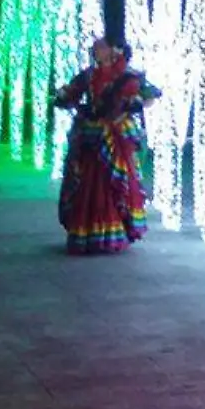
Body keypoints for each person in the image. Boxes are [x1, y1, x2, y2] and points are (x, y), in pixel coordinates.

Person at [53, 38, 160, 255]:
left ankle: (112, 233)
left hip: (115, 137)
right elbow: (72, 92)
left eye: (100, 46)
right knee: (87, 183)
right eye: (94, 47)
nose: (95, 50)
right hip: (91, 135)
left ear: (113, 50)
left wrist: (134, 104)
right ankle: (88, 234)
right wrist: (63, 97)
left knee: (113, 184)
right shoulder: (89, 75)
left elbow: (150, 96)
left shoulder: (129, 76)